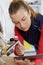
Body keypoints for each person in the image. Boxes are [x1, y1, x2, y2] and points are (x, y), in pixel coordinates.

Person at [9, 0, 43, 65]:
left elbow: (41, 53)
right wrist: (18, 51)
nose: (22, 25)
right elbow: (17, 50)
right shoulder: (17, 28)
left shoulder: (41, 22)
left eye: (23, 19)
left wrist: (33, 63)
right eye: (16, 22)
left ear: (29, 13)